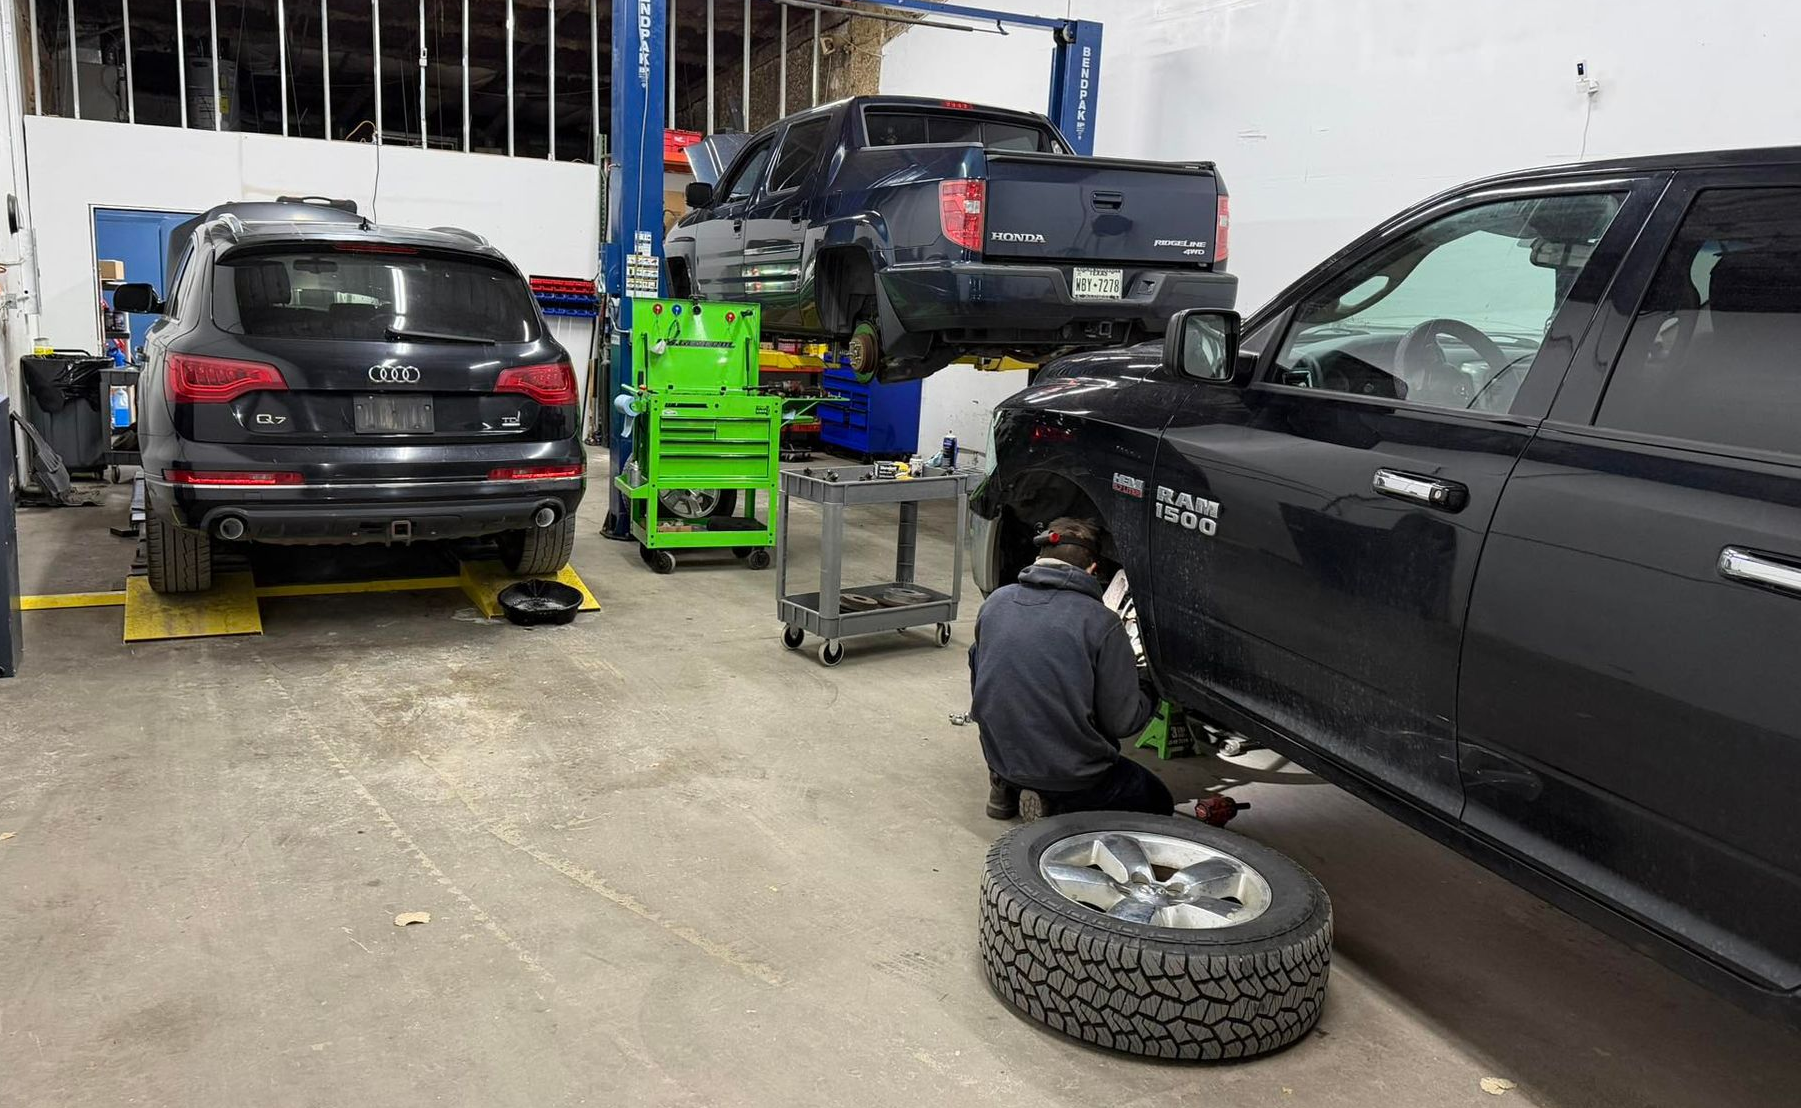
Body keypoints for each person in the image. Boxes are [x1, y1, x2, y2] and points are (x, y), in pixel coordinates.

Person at [968, 517, 1174, 820]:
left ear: (1039, 559)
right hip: (1074, 777)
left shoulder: (996, 603)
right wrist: (1149, 686)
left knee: (997, 669)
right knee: (1157, 800)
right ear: (1093, 570)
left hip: (1001, 756)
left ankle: (1005, 786)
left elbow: (988, 684)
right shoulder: (1099, 622)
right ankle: (1058, 806)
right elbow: (1123, 722)